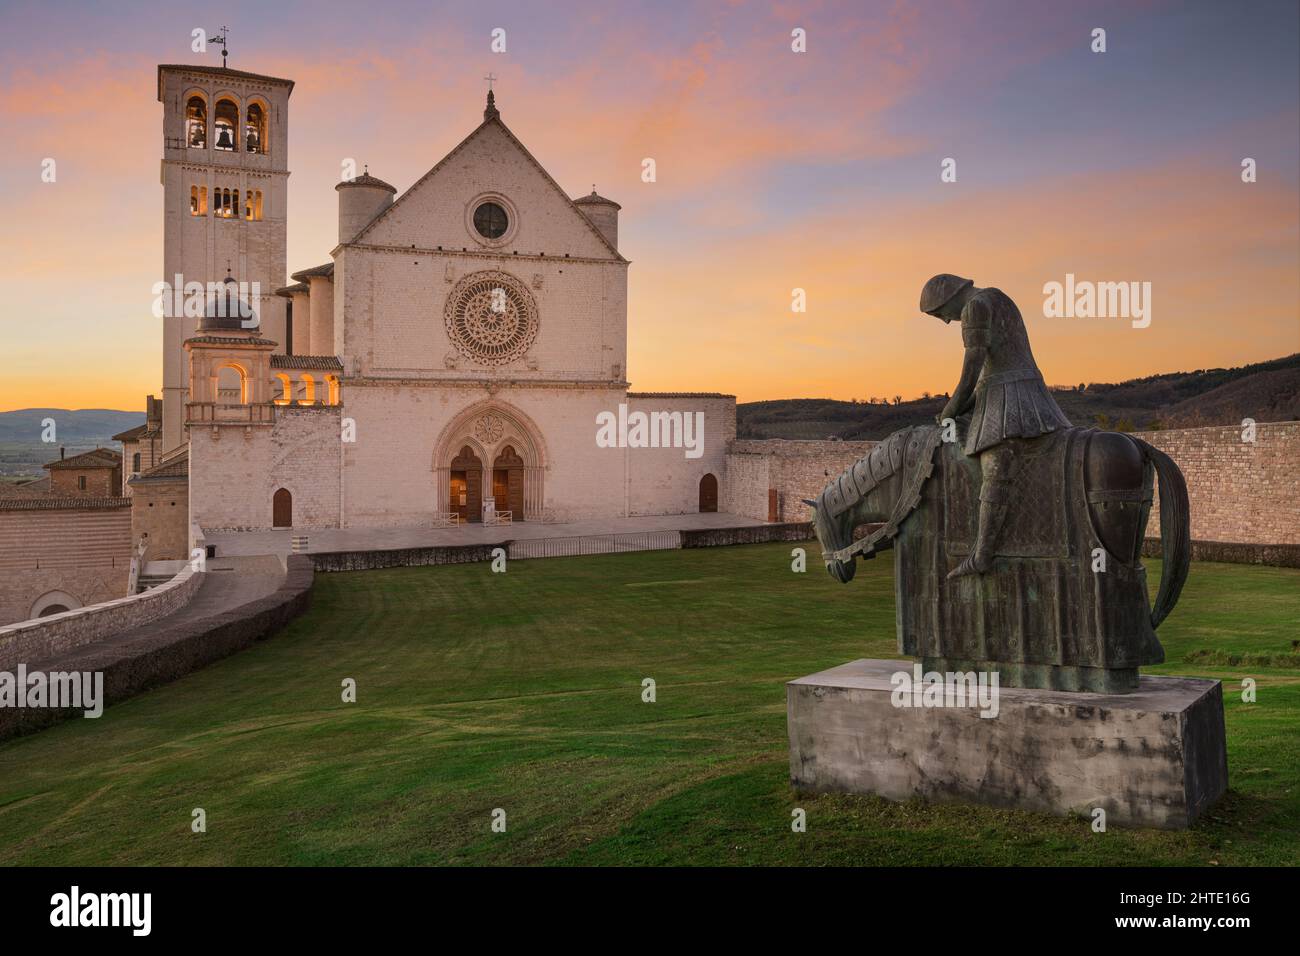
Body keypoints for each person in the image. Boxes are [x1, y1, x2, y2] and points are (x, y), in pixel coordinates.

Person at [920, 274, 1072, 577]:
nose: (945, 322)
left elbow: (972, 371)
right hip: (1010, 388)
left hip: (1012, 395)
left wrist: (950, 408)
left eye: (939, 314)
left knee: (994, 468)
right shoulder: (997, 296)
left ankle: (983, 554)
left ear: (948, 299)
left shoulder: (974, 307)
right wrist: (959, 409)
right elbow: (987, 377)